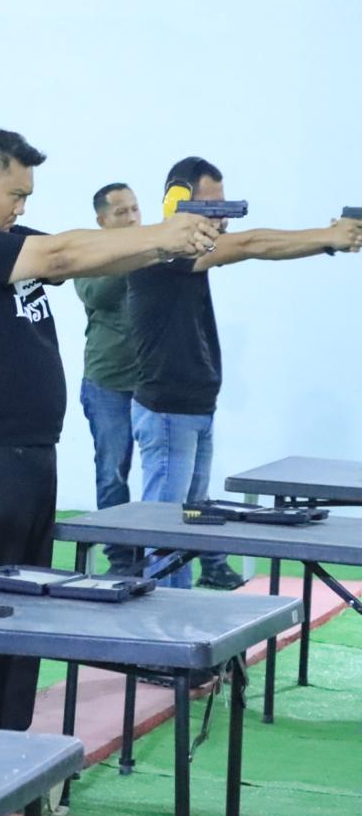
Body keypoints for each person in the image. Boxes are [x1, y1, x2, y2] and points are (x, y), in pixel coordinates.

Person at [0, 128, 218, 730]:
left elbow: (93, 253)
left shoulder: (8, 239)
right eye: (15, 194)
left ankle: (9, 762)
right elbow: (63, 256)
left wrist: (164, 248)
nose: (22, 207)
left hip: (25, 459)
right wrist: (161, 233)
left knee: (24, 620)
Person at [127, 156, 362, 589]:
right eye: (211, 208)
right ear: (178, 203)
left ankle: (175, 627)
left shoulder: (183, 253)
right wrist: (329, 237)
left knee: (189, 524)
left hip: (193, 408)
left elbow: (253, 241)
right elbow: (254, 243)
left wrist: (329, 239)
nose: (222, 220)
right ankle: (156, 637)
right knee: (164, 531)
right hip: (167, 411)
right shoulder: (162, 250)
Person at [73, 183, 143, 574]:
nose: (133, 218)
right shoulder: (89, 255)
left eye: (136, 210)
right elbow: (97, 295)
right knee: (113, 472)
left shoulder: (153, 252)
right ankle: (121, 560)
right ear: (102, 221)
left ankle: (172, 558)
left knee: (168, 479)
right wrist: (136, 252)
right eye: (122, 213)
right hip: (108, 383)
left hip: (154, 384)